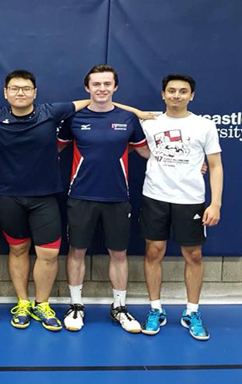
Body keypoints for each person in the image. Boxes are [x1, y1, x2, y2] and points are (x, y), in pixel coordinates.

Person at [0, 70, 150, 332]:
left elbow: (96, 99)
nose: (20, 92)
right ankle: (22, 303)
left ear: (35, 92)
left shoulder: (50, 112)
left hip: (45, 197)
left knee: (49, 254)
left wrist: (136, 112)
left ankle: (42, 304)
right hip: (9, 196)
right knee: (18, 250)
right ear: (6, 93)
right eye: (14, 88)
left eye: (26, 88)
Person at [58, 64, 149, 333]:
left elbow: (147, 153)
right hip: (81, 196)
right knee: (77, 251)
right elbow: (53, 149)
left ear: (115, 87)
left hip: (117, 197)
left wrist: (189, 164)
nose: (102, 89)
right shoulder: (74, 119)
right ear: (87, 88)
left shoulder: (128, 119)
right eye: (96, 84)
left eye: (107, 84)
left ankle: (119, 307)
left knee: (119, 253)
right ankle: (76, 305)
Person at [138, 74, 223, 341]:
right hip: (155, 196)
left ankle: (192, 312)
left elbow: (215, 165)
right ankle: (155, 309)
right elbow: (135, 141)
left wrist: (215, 203)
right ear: (163, 94)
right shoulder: (149, 123)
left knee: (193, 255)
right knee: (154, 251)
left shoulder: (204, 125)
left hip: (191, 199)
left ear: (191, 95)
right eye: (172, 90)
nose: (177, 95)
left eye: (183, 91)